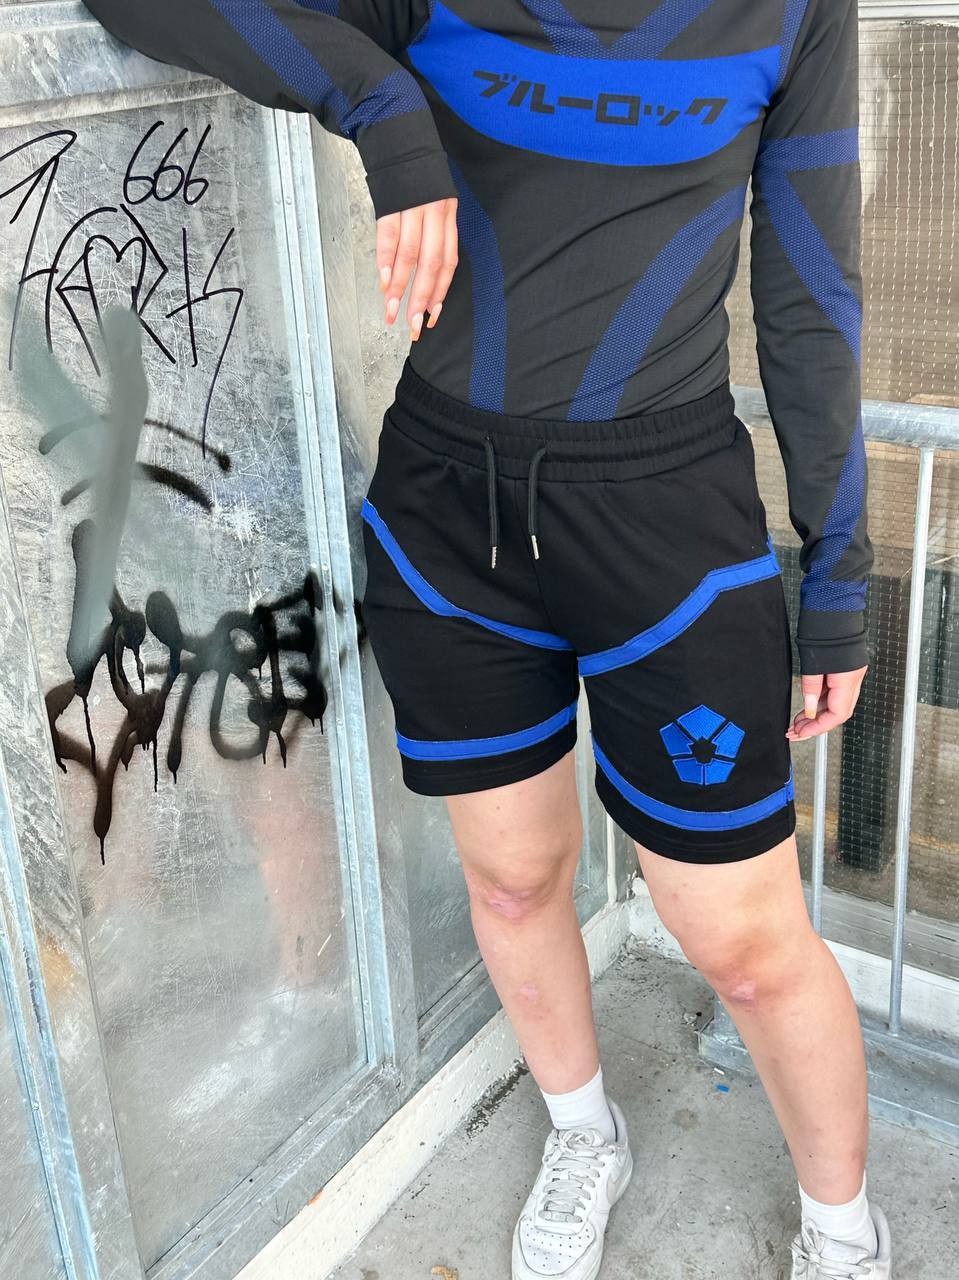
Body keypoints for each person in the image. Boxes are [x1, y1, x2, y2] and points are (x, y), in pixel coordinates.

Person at [82, 2, 891, 1276]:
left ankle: (844, 1229)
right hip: (447, 518)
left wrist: (837, 569)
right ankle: (583, 1131)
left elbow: (810, 297)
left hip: (668, 535)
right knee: (511, 881)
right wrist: (382, 105)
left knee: (741, 941)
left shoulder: (791, 13)